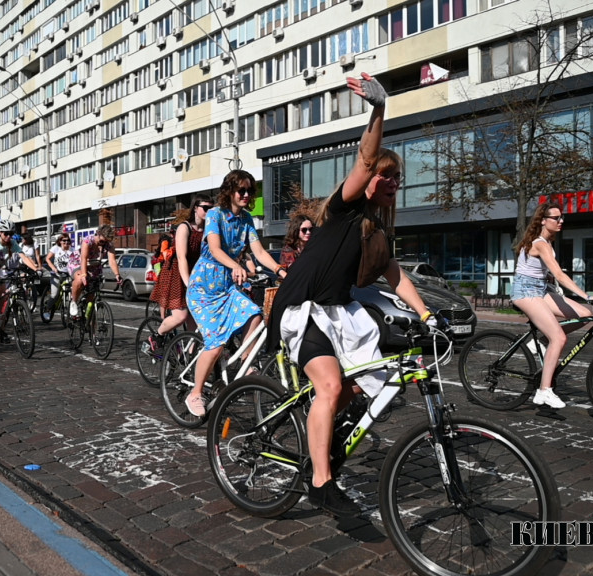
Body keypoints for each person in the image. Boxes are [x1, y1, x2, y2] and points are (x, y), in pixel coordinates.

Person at [269, 73, 434, 517]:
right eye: (387, 175)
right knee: (329, 385)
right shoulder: (344, 209)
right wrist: (380, 109)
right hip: (301, 308)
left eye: (398, 176)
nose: (393, 181)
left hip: (338, 311)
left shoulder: (377, 230)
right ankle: (321, 483)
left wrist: (428, 315)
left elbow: (396, 276)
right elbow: (364, 159)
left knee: (356, 384)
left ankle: (319, 435)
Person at [185, 170, 285, 418]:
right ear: (229, 190)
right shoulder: (214, 215)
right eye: (242, 190)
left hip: (227, 288)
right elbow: (216, 249)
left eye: (250, 190)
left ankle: (246, 359)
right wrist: (236, 265)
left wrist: (281, 271)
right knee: (216, 343)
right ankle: (195, 392)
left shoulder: (247, 220)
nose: (246, 194)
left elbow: (260, 252)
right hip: (203, 289)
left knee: (255, 314)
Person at [511, 202, 593, 409]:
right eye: (556, 218)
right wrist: (587, 295)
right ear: (543, 220)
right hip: (525, 293)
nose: (561, 221)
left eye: (561, 218)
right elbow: (559, 273)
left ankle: (539, 342)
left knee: (585, 314)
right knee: (559, 337)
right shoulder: (540, 243)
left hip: (541, 290)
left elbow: (545, 272)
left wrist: (549, 279)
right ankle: (543, 391)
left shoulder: (547, 242)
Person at [148, 195, 213, 348]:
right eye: (205, 208)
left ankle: (190, 356)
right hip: (176, 273)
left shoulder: (209, 229)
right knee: (181, 316)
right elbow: (182, 257)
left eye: (211, 208)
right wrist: (188, 283)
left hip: (196, 273)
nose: (209, 211)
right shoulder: (185, 227)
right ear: (196, 208)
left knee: (196, 320)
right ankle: (157, 336)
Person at [0, 219, 40, 344]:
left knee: (7, 299)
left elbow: (23, 257)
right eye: (6, 233)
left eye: (11, 234)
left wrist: (36, 269)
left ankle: (0, 328)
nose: (8, 236)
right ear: (0, 233)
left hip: (0, 269)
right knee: (1, 284)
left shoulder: (12, 243)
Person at [69, 225, 121, 317]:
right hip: (78, 263)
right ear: (98, 234)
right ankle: (73, 302)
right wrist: (84, 274)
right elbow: (84, 259)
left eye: (105, 242)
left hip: (94, 266)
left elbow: (112, 260)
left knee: (91, 300)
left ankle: (89, 325)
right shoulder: (88, 240)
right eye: (101, 241)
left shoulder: (108, 245)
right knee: (80, 280)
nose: (102, 244)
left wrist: (117, 274)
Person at [45, 233, 74, 302]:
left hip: (68, 275)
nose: (66, 242)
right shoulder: (56, 248)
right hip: (57, 274)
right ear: (60, 241)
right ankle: (47, 310)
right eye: (64, 240)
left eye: (68, 241)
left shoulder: (72, 250)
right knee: (54, 295)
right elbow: (47, 259)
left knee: (72, 294)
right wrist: (53, 268)